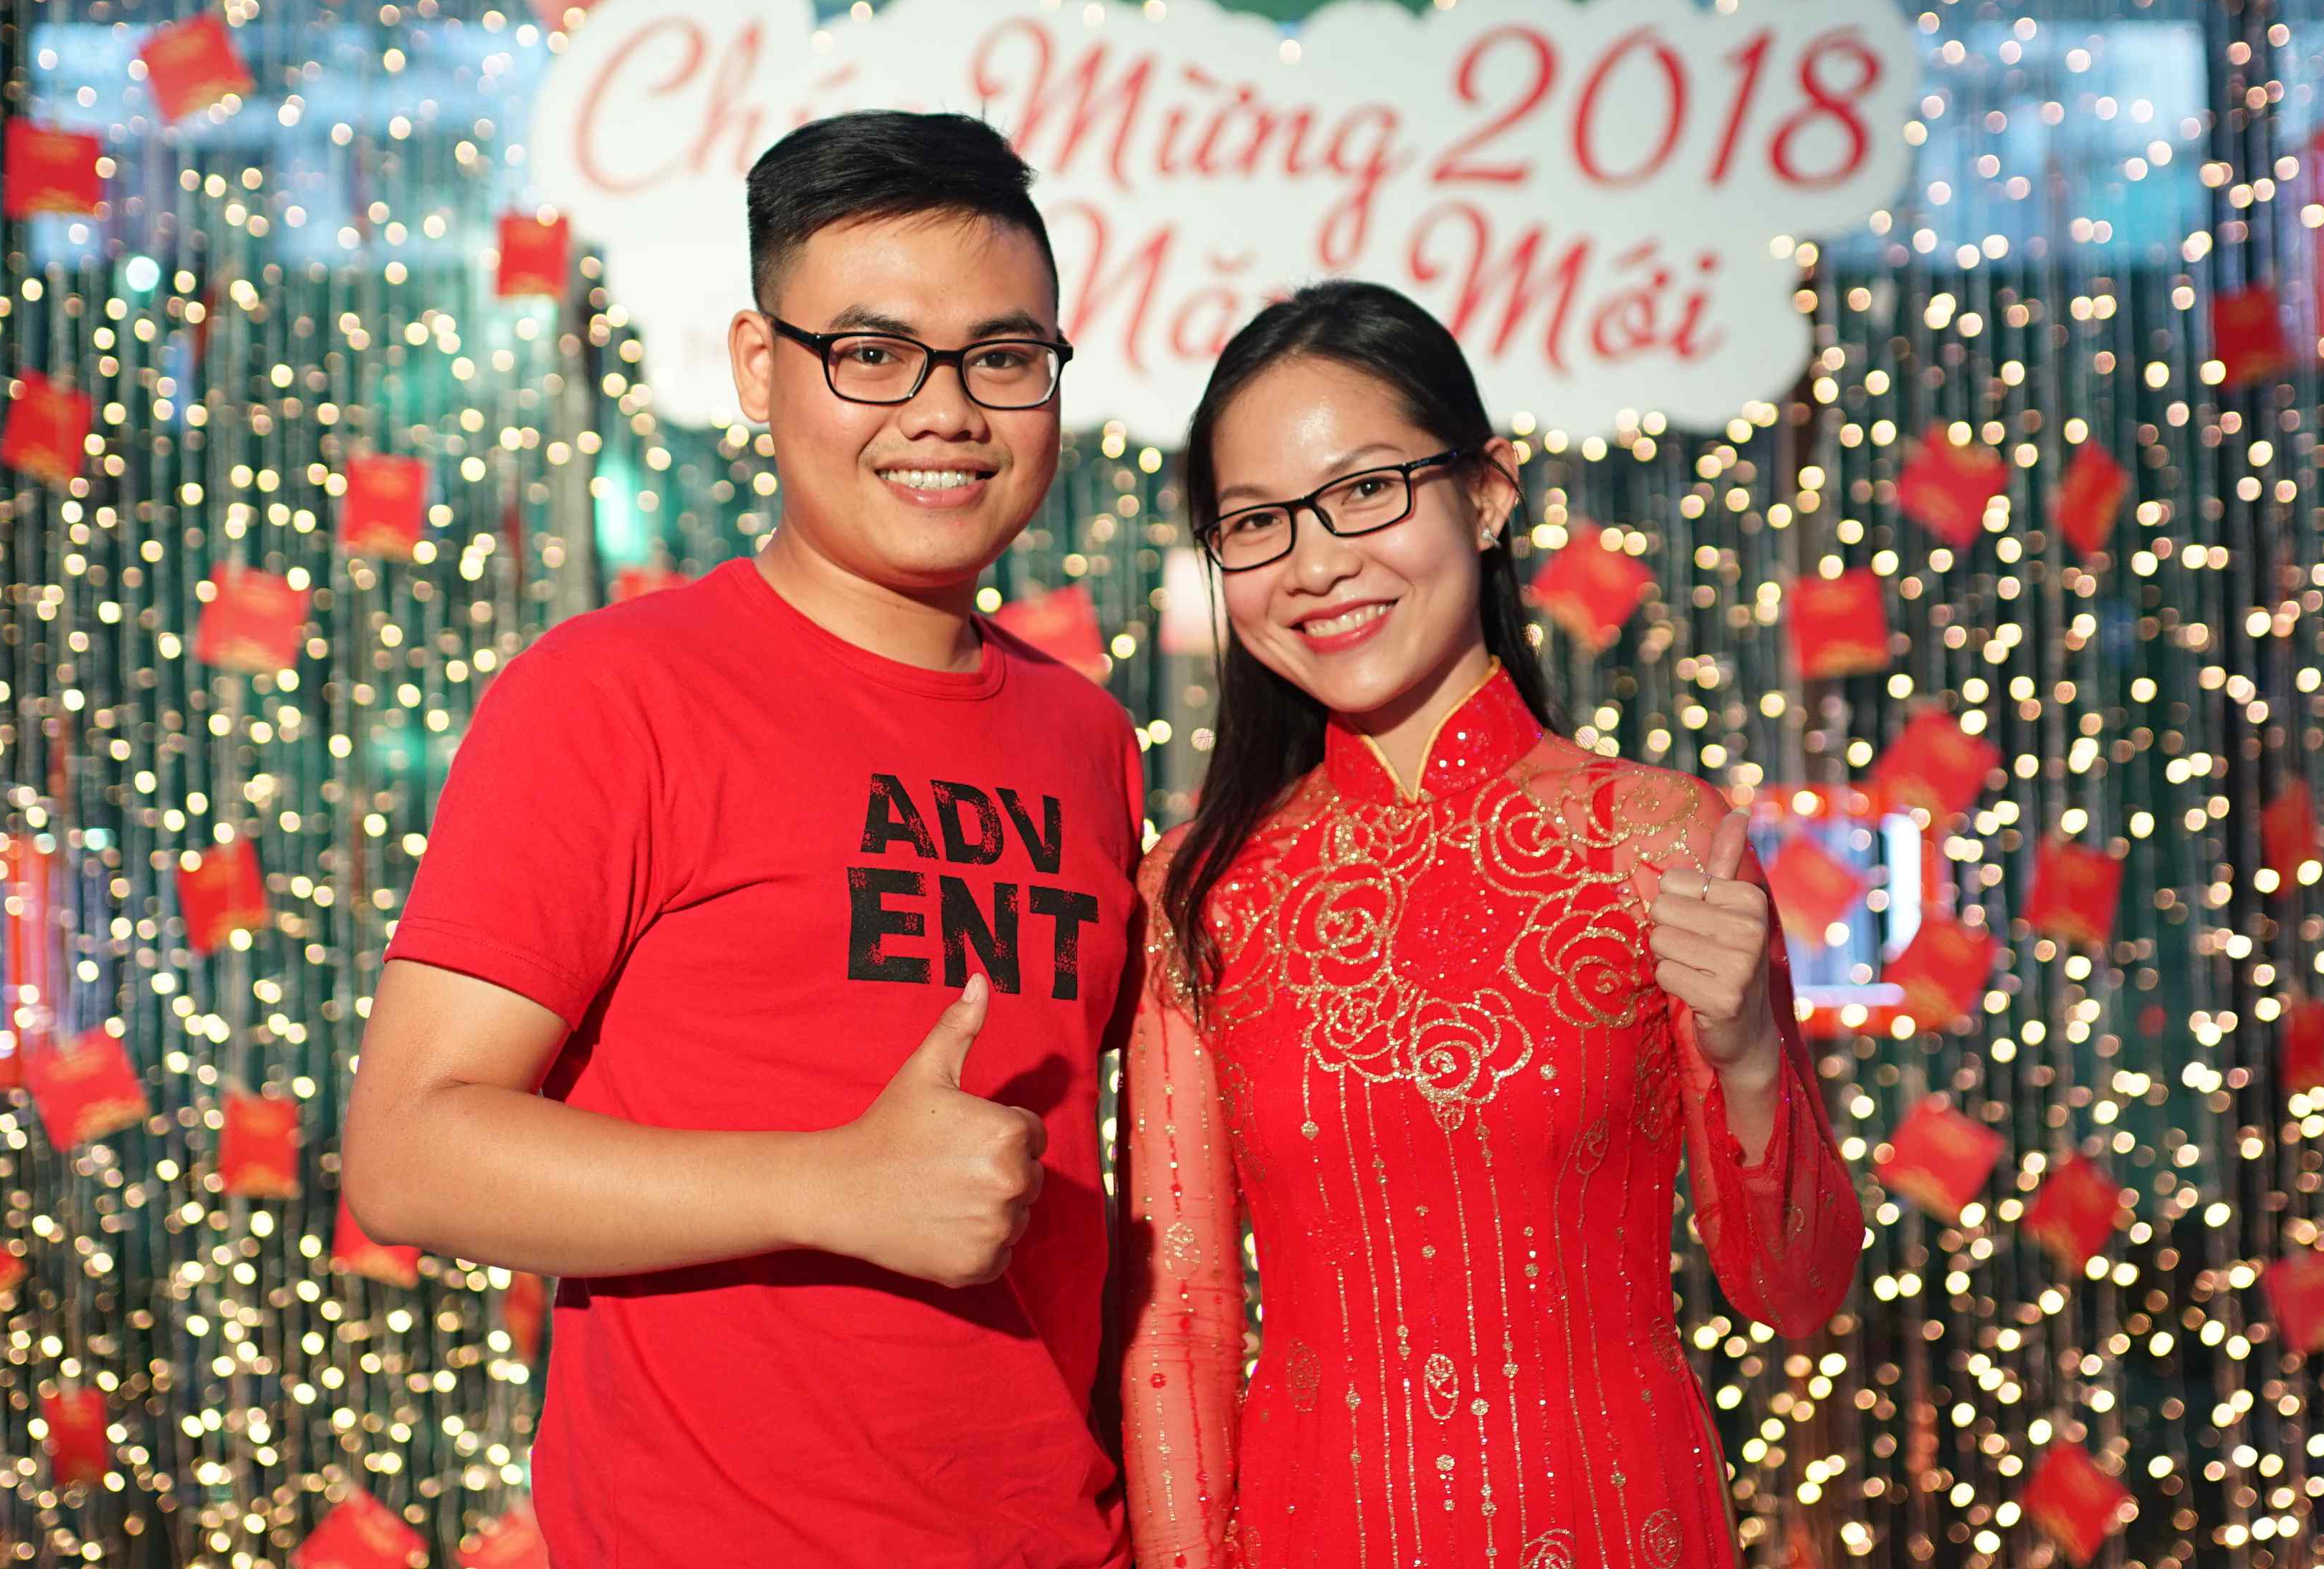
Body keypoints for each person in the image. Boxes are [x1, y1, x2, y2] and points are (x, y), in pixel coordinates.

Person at [342, 110, 1141, 1569]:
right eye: (874, 353)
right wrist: (829, 1185)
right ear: (761, 368)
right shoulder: (612, 694)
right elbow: (405, 1154)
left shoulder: (1088, 740)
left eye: (1002, 358)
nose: (946, 412)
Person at [1120, 280, 1861, 1569]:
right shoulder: (1201, 890)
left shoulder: (1657, 841)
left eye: (1365, 491)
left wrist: (1750, 1055)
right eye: (1255, 522)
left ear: (1488, 492)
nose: (1315, 563)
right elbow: (1178, 1322)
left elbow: (1792, 1291)